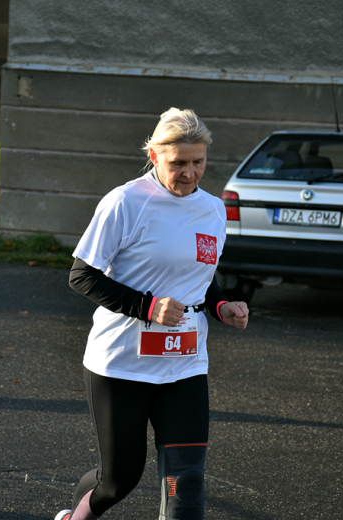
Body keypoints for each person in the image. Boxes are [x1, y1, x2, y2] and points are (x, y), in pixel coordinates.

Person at [56, 107, 249, 520]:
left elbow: (200, 278)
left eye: (198, 162)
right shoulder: (126, 202)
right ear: (154, 154)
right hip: (122, 364)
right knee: (118, 479)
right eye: (178, 162)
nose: (190, 173)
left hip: (185, 362)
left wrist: (222, 306)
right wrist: (147, 306)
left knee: (186, 482)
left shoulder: (213, 210)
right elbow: (82, 276)